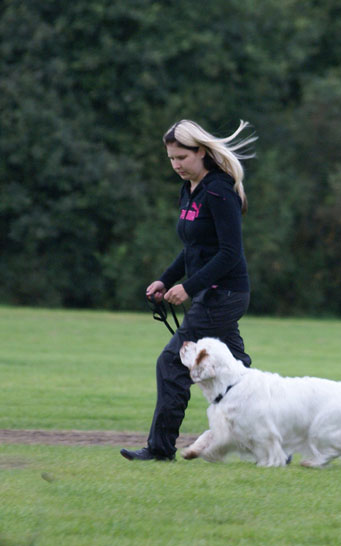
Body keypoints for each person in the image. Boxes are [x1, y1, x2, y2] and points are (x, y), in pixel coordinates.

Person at [121, 119, 256, 461]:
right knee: (238, 373)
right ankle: (273, 443)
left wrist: (189, 286)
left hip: (223, 294)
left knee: (171, 364)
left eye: (182, 157)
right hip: (211, 292)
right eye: (171, 159)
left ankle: (160, 448)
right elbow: (193, 247)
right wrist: (166, 280)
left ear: (202, 152)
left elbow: (230, 253)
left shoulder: (219, 190)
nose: (176, 165)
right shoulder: (190, 190)